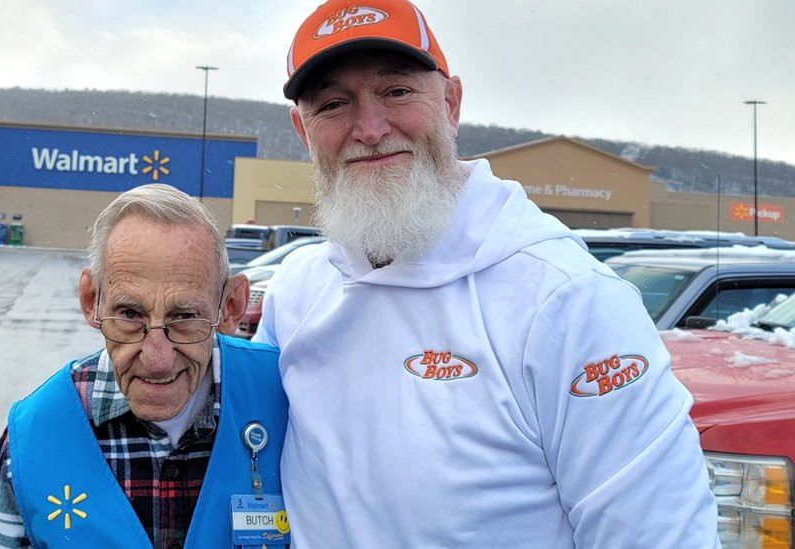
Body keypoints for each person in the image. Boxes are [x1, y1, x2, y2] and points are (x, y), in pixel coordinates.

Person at [254, 0, 720, 547]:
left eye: (397, 92)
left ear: (451, 103)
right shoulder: (297, 293)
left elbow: (659, 535)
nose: (371, 128)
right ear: (303, 131)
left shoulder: (567, 301)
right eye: (333, 104)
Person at [0, 184, 289, 548]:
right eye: (130, 314)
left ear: (230, 306)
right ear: (91, 301)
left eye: (184, 316)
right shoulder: (33, 436)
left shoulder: (288, 403)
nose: (157, 358)